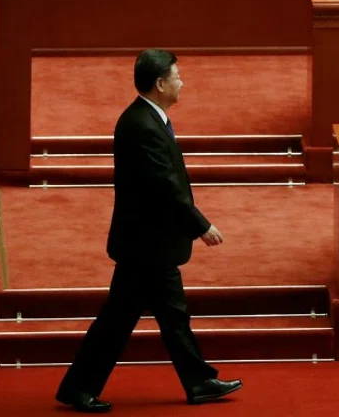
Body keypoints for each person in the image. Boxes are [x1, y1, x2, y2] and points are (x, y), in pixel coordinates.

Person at [55, 50, 242, 413]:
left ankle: (197, 380)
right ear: (159, 83)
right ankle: (80, 387)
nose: (182, 82)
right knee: (126, 319)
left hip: (148, 244)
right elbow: (165, 185)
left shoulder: (147, 119)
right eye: (177, 75)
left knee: (162, 316)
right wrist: (200, 225)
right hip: (145, 246)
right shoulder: (142, 125)